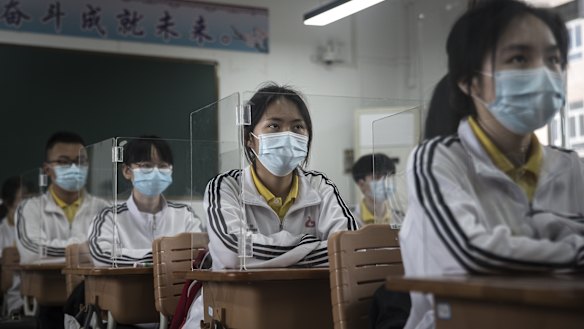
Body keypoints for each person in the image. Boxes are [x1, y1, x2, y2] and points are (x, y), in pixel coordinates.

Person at [400, 1, 584, 329]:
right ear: (469, 81)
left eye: (553, 59)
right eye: (519, 58)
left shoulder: (571, 167)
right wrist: (573, 250)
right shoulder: (438, 159)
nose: (544, 73)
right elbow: (473, 252)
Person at [181, 83, 358, 327]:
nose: (288, 135)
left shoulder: (320, 186)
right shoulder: (225, 187)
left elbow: (348, 250)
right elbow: (233, 254)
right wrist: (307, 243)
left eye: (297, 127)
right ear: (250, 139)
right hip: (227, 311)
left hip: (304, 308)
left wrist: (265, 252)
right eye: (274, 125)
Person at [15, 131, 108, 329]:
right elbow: (31, 253)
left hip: (93, 300)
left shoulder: (103, 207)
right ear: (47, 169)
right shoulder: (30, 208)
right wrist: (82, 251)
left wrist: (81, 251)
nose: (74, 168)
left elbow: (111, 250)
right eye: (64, 162)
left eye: (80, 161)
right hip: (49, 300)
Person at [88, 136, 203, 267]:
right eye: (146, 165)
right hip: (130, 285)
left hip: (176, 286)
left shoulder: (185, 214)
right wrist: (159, 256)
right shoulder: (109, 217)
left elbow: (200, 254)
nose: (156, 172)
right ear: (127, 171)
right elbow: (101, 257)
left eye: (163, 166)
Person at [0, 176, 24, 316]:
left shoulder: (37, 231)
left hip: (40, 297)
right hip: (16, 302)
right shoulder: (2, 232)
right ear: (9, 203)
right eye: (21, 200)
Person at [351, 153, 398, 227]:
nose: (385, 181)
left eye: (388, 176)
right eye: (377, 177)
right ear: (361, 184)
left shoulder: (400, 218)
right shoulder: (350, 220)